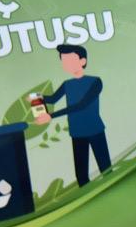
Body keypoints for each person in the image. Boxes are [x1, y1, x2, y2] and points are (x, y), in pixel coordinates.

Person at [35, 44, 110, 186]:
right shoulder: (67, 84)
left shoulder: (95, 82)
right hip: (77, 132)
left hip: (95, 130)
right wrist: (36, 98)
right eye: (64, 61)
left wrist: (51, 115)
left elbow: (82, 105)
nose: (66, 64)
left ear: (83, 61)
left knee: (105, 168)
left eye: (70, 60)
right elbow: (53, 99)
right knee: (81, 175)